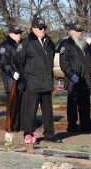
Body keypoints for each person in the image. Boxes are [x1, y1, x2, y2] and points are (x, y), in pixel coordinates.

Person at [16, 15, 61, 143]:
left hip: (46, 81)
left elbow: (51, 59)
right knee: (30, 110)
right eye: (40, 28)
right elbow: (19, 61)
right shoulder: (26, 43)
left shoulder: (49, 42)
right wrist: (24, 78)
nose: (42, 30)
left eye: (44, 27)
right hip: (32, 82)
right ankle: (28, 133)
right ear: (33, 28)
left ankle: (50, 135)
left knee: (48, 111)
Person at [59, 21, 91, 133]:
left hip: (85, 79)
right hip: (73, 79)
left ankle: (85, 125)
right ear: (71, 32)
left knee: (85, 103)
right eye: (77, 31)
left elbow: (89, 64)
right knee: (72, 104)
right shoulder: (66, 45)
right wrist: (72, 76)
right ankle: (72, 126)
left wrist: (88, 79)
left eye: (80, 31)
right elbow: (64, 63)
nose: (79, 34)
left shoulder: (86, 46)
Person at [0, 23, 24, 132]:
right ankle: (11, 126)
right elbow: (3, 62)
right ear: (10, 34)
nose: (18, 35)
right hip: (10, 80)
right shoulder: (4, 46)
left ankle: (19, 126)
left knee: (21, 105)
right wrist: (12, 73)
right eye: (16, 33)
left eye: (19, 33)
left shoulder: (22, 44)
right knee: (13, 104)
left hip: (22, 79)